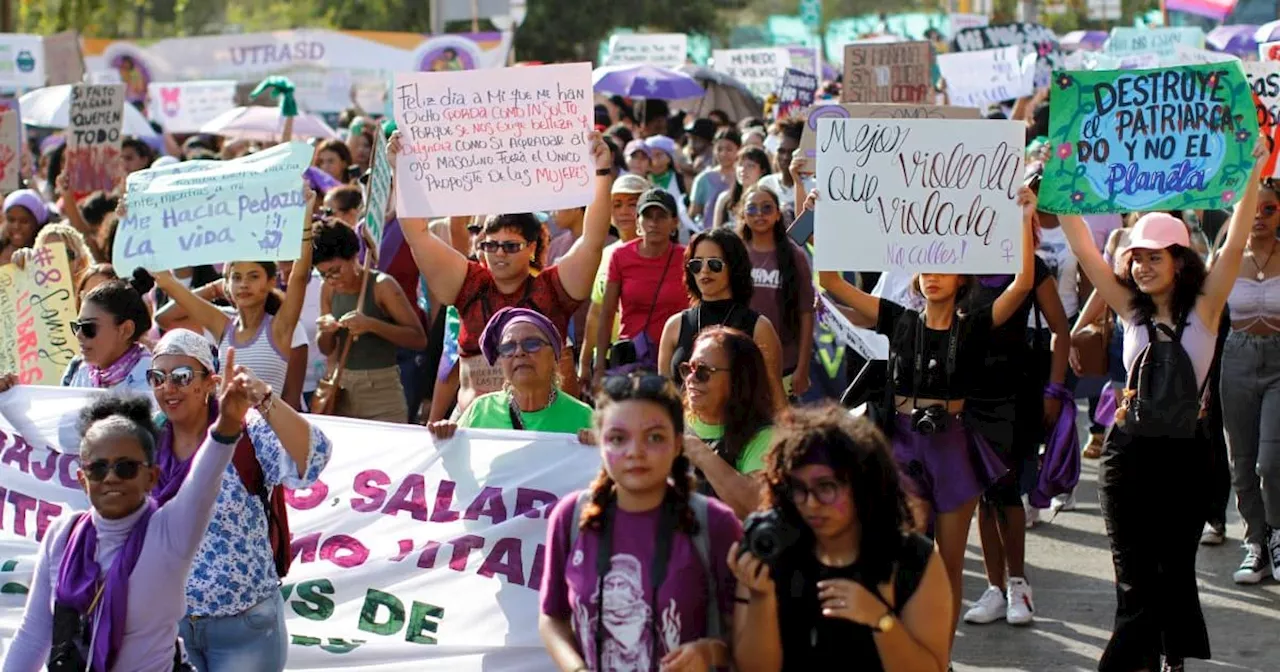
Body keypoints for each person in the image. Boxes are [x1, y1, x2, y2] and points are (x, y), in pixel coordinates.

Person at [1056, 140, 1267, 672]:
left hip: (1186, 457)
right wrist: (1060, 186)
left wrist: (1252, 173)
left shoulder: (1208, 308)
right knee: (1132, 571)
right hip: (1127, 455)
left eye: (1154, 256)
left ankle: (1171, 654)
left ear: (1179, 260)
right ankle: (1132, 662)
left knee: (1173, 567)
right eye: (1136, 257)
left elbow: (1237, 241)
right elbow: (1083, 249)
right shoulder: (1127, 308)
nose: (1143, 266)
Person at [816, 185, 1036, 653]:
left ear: (962, 278)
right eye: (924, 267)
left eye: (943, 266)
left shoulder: (974, 325)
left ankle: (940, 655)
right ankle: (905, 648)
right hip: (900, 444)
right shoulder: (898, 319)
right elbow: (832, 281)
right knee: (903, 557)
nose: (932, 275)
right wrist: (826, 216)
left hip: (953, 446)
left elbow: (1021, 285)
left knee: (949, 563)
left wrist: (1024, 218)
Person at [2, 381, 254, 671]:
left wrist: (228, 425)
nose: (110, 478)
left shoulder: (171, 530)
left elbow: (204, 480)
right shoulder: (62, 535)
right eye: (98, 468)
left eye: (126, 467)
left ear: (151, 476)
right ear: (83, 480)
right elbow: (33, 636)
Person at [148, 329, 332, 671]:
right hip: (171, 629)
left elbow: (314, 458)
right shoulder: (146, 439)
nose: (167, 388)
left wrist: (262, 396)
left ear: (210, 382)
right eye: (157, 377)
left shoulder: (247, 431)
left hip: (245, 626)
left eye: (182, 377)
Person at [399, 130, 614, 417]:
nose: (499, 254)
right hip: (477, 431)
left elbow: (592, 241)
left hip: (545, 433)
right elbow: (418, 236)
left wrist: (601, 171)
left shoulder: (552, 289)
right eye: (491, 245)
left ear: (532, 247)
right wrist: (401, 169)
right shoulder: (468, 284)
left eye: (511, 246)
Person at [539, 373, 741, 671]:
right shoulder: (570, 516)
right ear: (601, 443)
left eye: (655, 437)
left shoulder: (714, 523)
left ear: (677, 444)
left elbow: (750, 645)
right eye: (618, 439)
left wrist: (710, 653)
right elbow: (552, 618)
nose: (635, 452)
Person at [729, 404, 952, 671]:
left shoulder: (912, 560)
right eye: (798, 488)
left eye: (826, 487)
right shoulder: (771, 551)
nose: (811, 503)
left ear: (862, 485)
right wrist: (761, 598)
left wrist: (881, 620)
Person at [152, 186, 316, 402]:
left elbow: (299, 277)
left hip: (266, 433)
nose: (244, 284)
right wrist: (135, 223)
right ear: (225, 285)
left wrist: (306, 215)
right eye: (237, 277)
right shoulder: (222, 325)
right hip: (225, 433)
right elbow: (167, 285)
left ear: (271, 282)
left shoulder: (280, 328)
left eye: (253, 276)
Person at [1221, 177, 1280, 585]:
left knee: (1271, 462)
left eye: (1269, 209)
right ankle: (1255, 543)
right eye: (1251, 208)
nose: (1258, 216)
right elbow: (1204, 318)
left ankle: (1277, 533)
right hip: (1236, 359)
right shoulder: (1225, 257)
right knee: (1241, 461)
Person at [314, 219, 426, 422]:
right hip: (343, 390)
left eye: (336, 270)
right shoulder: (328, 290)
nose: (332, 279)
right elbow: (326, 348)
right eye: (323, 275)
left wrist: (371, 325)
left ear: (354, 256)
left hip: (382, 392)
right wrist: (326, 331)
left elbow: (418, 339)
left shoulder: (382, 286)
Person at [658, 228, 786, 404]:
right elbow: (664, 399)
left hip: (742, 429)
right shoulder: (675, 325)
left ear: (733, 267)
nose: (704, 271)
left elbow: (776, 397)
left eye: (714, 264)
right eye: (696, 264)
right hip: (685, 429)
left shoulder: (759, 327)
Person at [428, 307, 593, 438]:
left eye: (532, 344)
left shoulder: (583, 417)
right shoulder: (481, 410)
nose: (519, 352)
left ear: (554, 356)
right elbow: (455, 467)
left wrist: (600, 449)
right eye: (508, 347)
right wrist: (446, 438)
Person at [680, 326, 777, 518]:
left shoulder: (764, 437)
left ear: (738, 378)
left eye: (703, 371)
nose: (691, 379)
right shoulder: (671, 421)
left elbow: (756, 506)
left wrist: (698, 451)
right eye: (688, 369)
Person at [596, 189, 687, 380]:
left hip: (677, 360)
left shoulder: (688, 258)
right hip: (631, 363)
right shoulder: (620, 256)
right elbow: (606, 313)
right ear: (638, 221)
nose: (653, 223)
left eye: (661, 216)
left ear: (675, 222)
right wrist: (599, 368)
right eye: (647, 216)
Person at [737, 185, 815, 398]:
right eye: (752, 209)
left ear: (778, 214)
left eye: (767, 208)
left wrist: (803, 367)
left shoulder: (794, 256)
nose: (759, 214)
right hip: (740, 363)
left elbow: (806, 313)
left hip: (785, 364)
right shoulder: (735, 252)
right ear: (742, 214)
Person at [60, 269, 156, 393]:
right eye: (77, 326)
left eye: (89, 327)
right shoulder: (78, 371)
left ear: (126, 330)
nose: (79, 335)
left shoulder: (155, 382)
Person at [689, 129, 741, 226]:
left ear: (738, 150)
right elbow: (694, 214)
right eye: (719, 149)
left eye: (729, 149)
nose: (723, 154)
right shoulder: (703, 179)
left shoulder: (742, 176)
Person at [712, 147, 770, 230]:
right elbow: (716, 232)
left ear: (762, 171)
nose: (743, 170)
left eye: (750, 166)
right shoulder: (725, 198)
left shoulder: (768, 200)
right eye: (740, 165)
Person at [1, 189, 50, 265]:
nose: (16, 227)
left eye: (24, 221)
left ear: (36, 224)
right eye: (11, 220)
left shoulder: (46, 257)